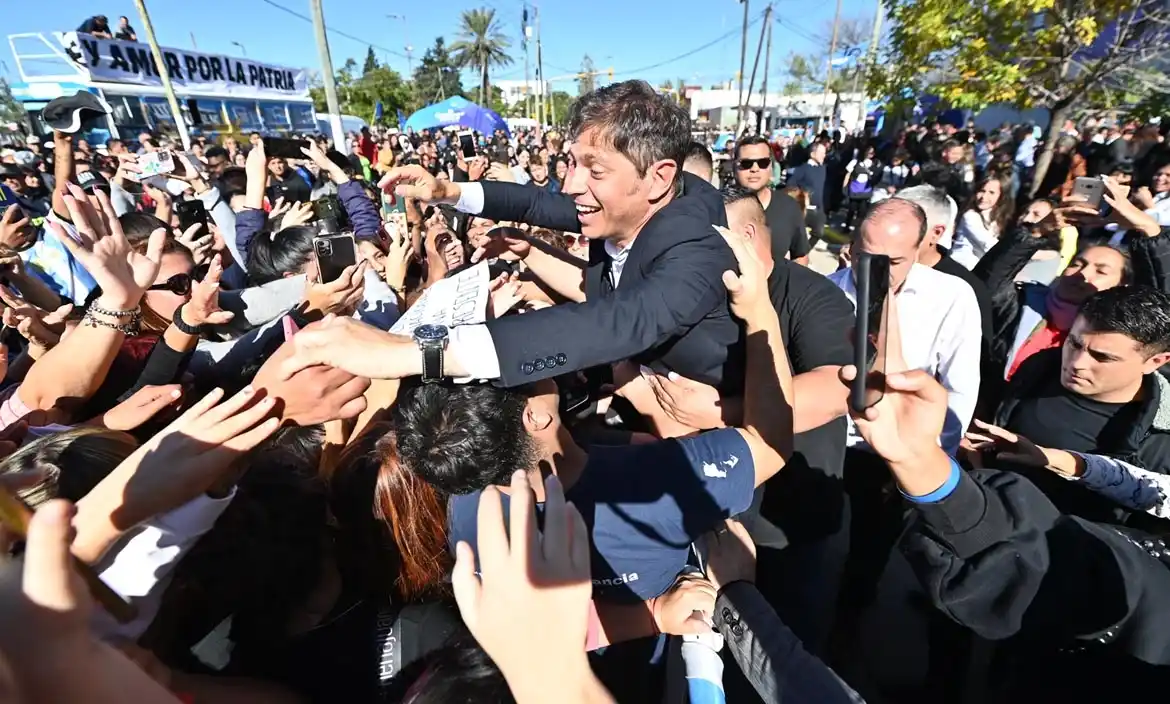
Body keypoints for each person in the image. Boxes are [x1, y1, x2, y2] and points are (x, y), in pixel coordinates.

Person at [374, 80, 740, 391]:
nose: (571, 184)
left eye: (594, 170)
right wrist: (447, 192)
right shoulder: (624, 207)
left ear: (658, 178)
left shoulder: (696, 249)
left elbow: (616, 323)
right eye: (574, 164)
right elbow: (535, 204)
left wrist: (413, 352)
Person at [734, 136, 811, 265]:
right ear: (734, 167)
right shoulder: (717, 206)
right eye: (746, 163)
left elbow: (800, 256)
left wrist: (794, 284)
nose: (755, 169)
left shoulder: (789, 207)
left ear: (771, 167)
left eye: (762, 163)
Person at [950, 175, 1013, 269]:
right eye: (982, 191)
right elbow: (986, 243)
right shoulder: (970, 216)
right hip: (960, 266)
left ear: (1001, 197)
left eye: (991, 193)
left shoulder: (995, 219)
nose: (984, 197)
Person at [787, 141, 828, 246]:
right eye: (821, 152)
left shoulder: (822, 169)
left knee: (819, 232)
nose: (824, 155)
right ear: (813, 154)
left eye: (824, 152)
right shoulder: (803, 169)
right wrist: (802, 194)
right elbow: (791, 184)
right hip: (804, 208)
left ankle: (804, 252)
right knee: (795, 235)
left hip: (817, 209)